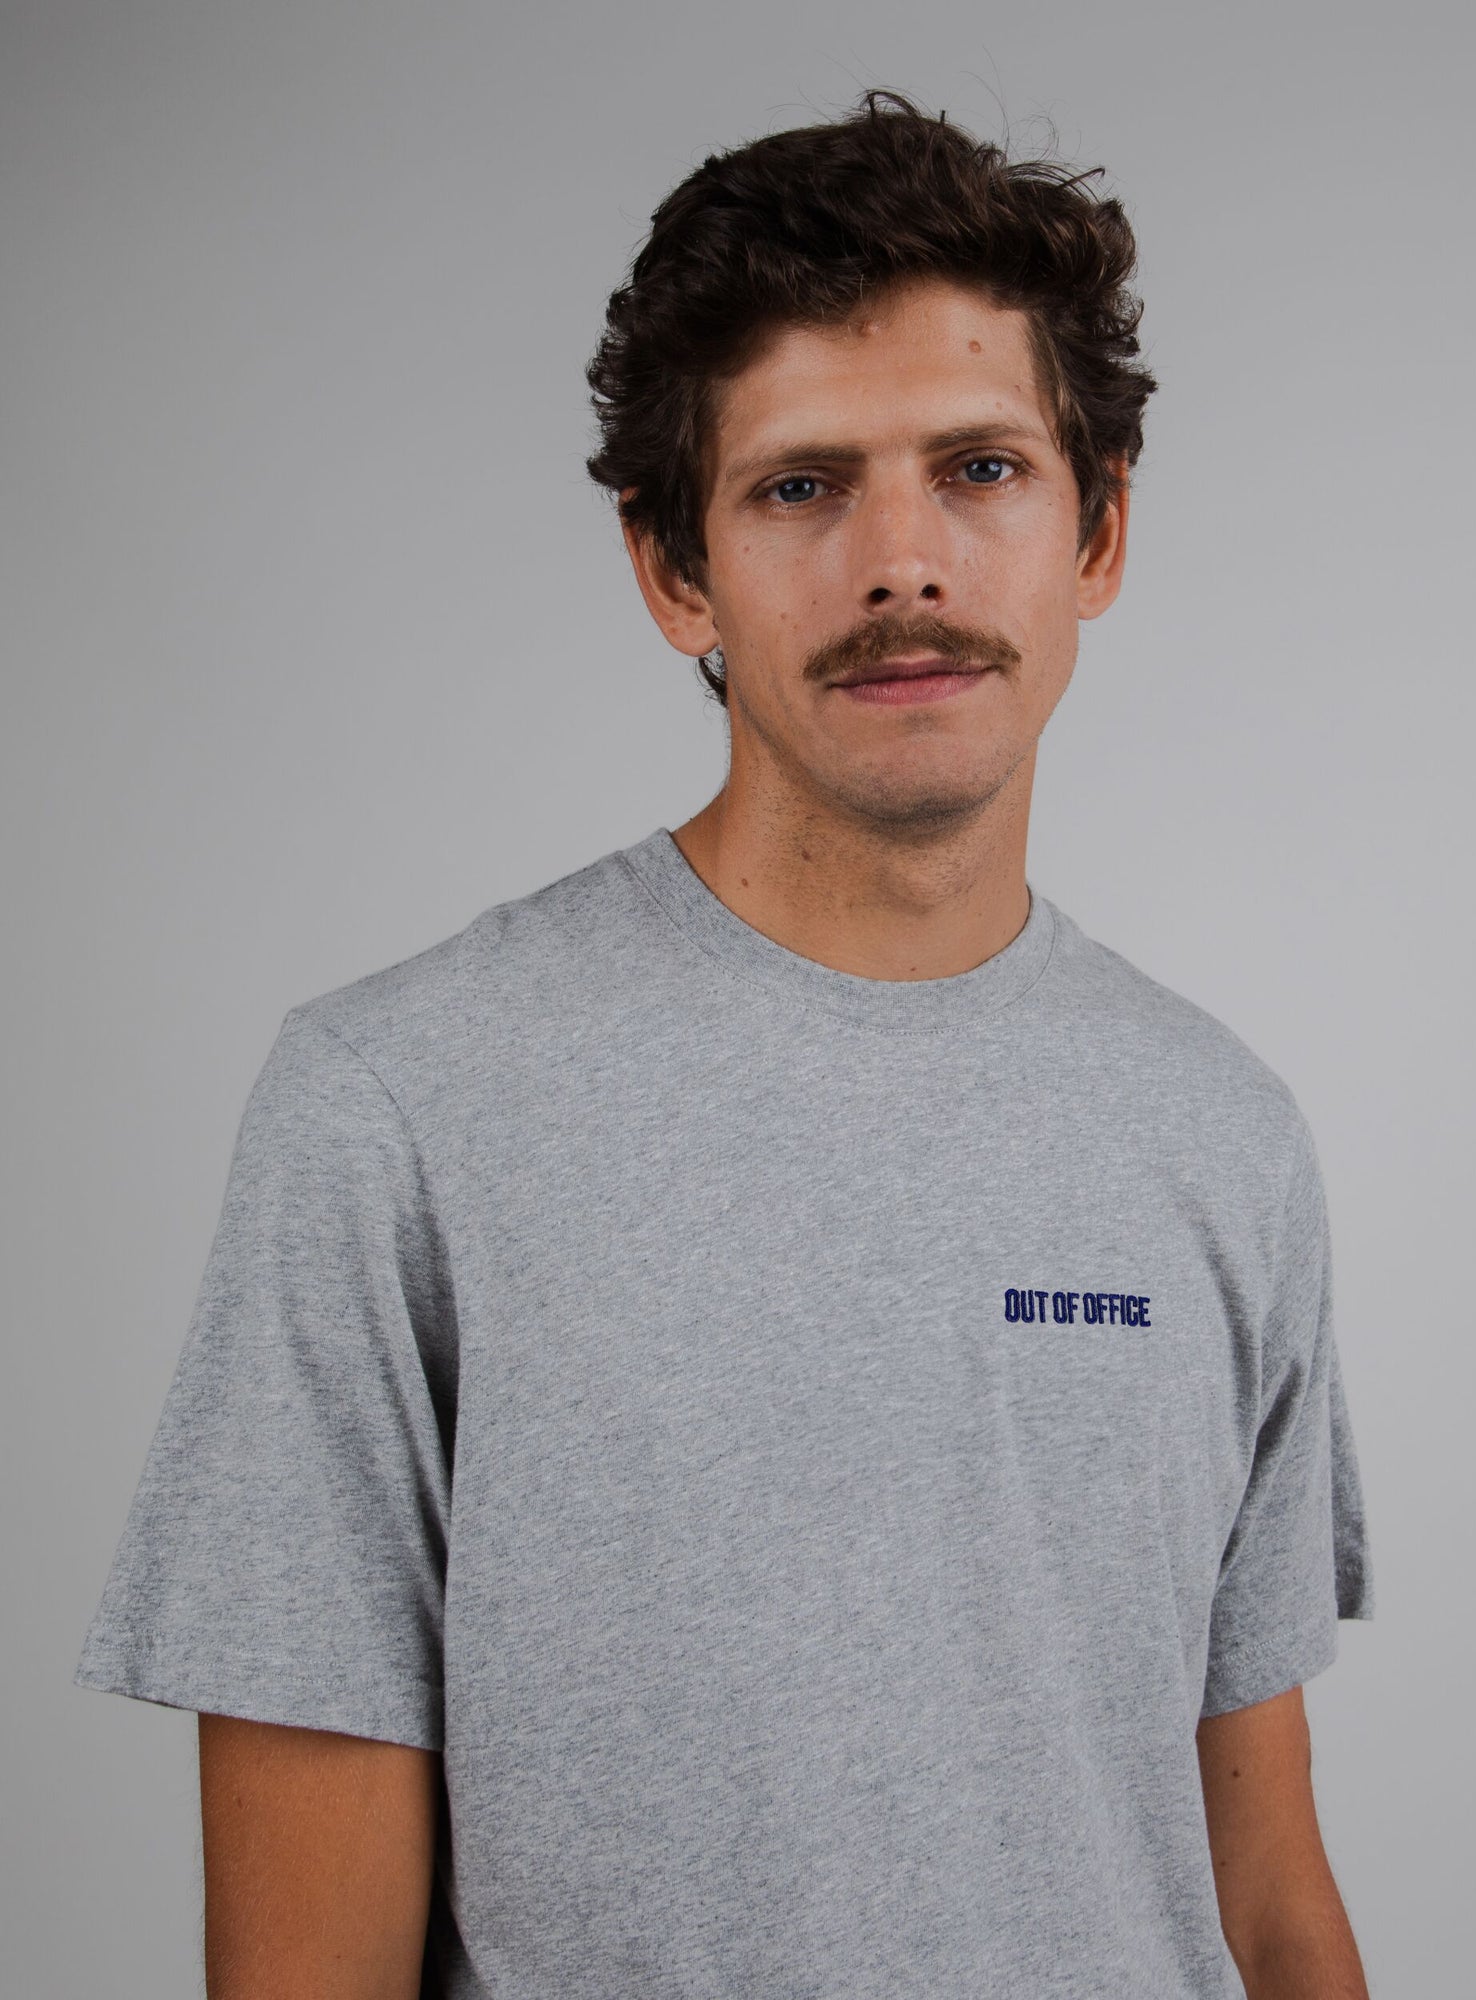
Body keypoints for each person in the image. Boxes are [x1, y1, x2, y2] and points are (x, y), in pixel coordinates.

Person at [75, 87, 1375, 1999]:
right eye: (799, 487)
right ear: (673, 569)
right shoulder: (398, 1110)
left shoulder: (1220, 1130)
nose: (903, 564)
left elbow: (1262, 1890)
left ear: (1098, 530)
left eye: (982, 469)